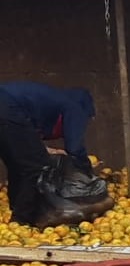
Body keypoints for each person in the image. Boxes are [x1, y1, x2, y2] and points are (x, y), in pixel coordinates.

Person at [0, 81, 96, 227]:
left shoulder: (51, 101)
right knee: (38, 167)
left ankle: (16, 210)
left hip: (6, 106)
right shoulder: (74, 106)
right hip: (6, 107)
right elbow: (75, 148)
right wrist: (86, 175)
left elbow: (25, 142)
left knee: (17, 164)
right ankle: (22, 221)